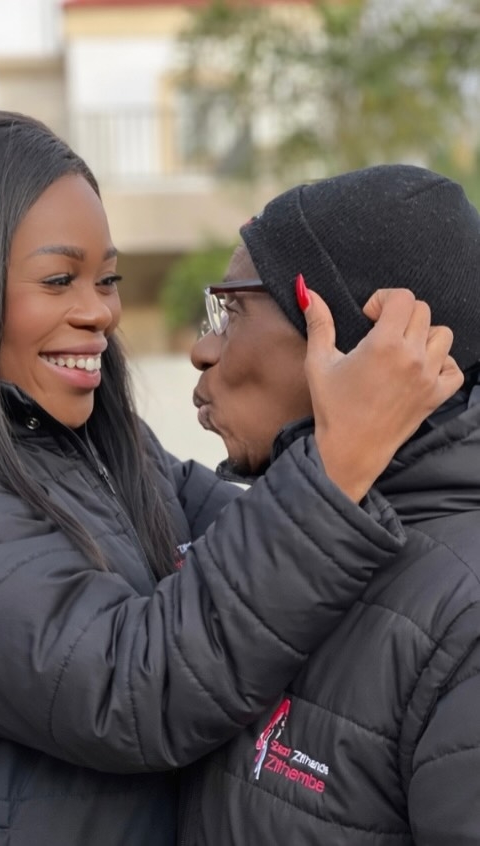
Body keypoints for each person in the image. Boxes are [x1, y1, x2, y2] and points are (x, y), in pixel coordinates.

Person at [0, 111, 460, 846]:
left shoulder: (108, 456)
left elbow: (256, 555)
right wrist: (338, 458)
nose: (101, 310)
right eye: (58, 279)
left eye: (107, 280)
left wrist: (409, 450)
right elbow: (129, 689)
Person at [185, 162, 480, 846]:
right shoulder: (271, 543)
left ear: (357, 344)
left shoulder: (462, 615)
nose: (202, 350)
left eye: (230, 309)